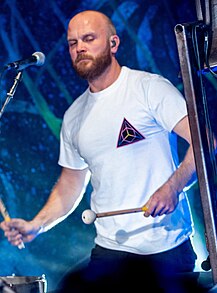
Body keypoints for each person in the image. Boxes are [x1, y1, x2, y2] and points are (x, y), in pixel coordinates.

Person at [0, 10, 205, 293]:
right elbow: (70, 184)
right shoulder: (73, 117)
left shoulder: (148, 88)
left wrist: (173, 187)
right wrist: (37, 225)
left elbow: (205, 143)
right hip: (110, 251)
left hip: (166, 250)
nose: (79, 48)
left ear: (114, 43)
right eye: (73, 43)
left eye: (88, 38)